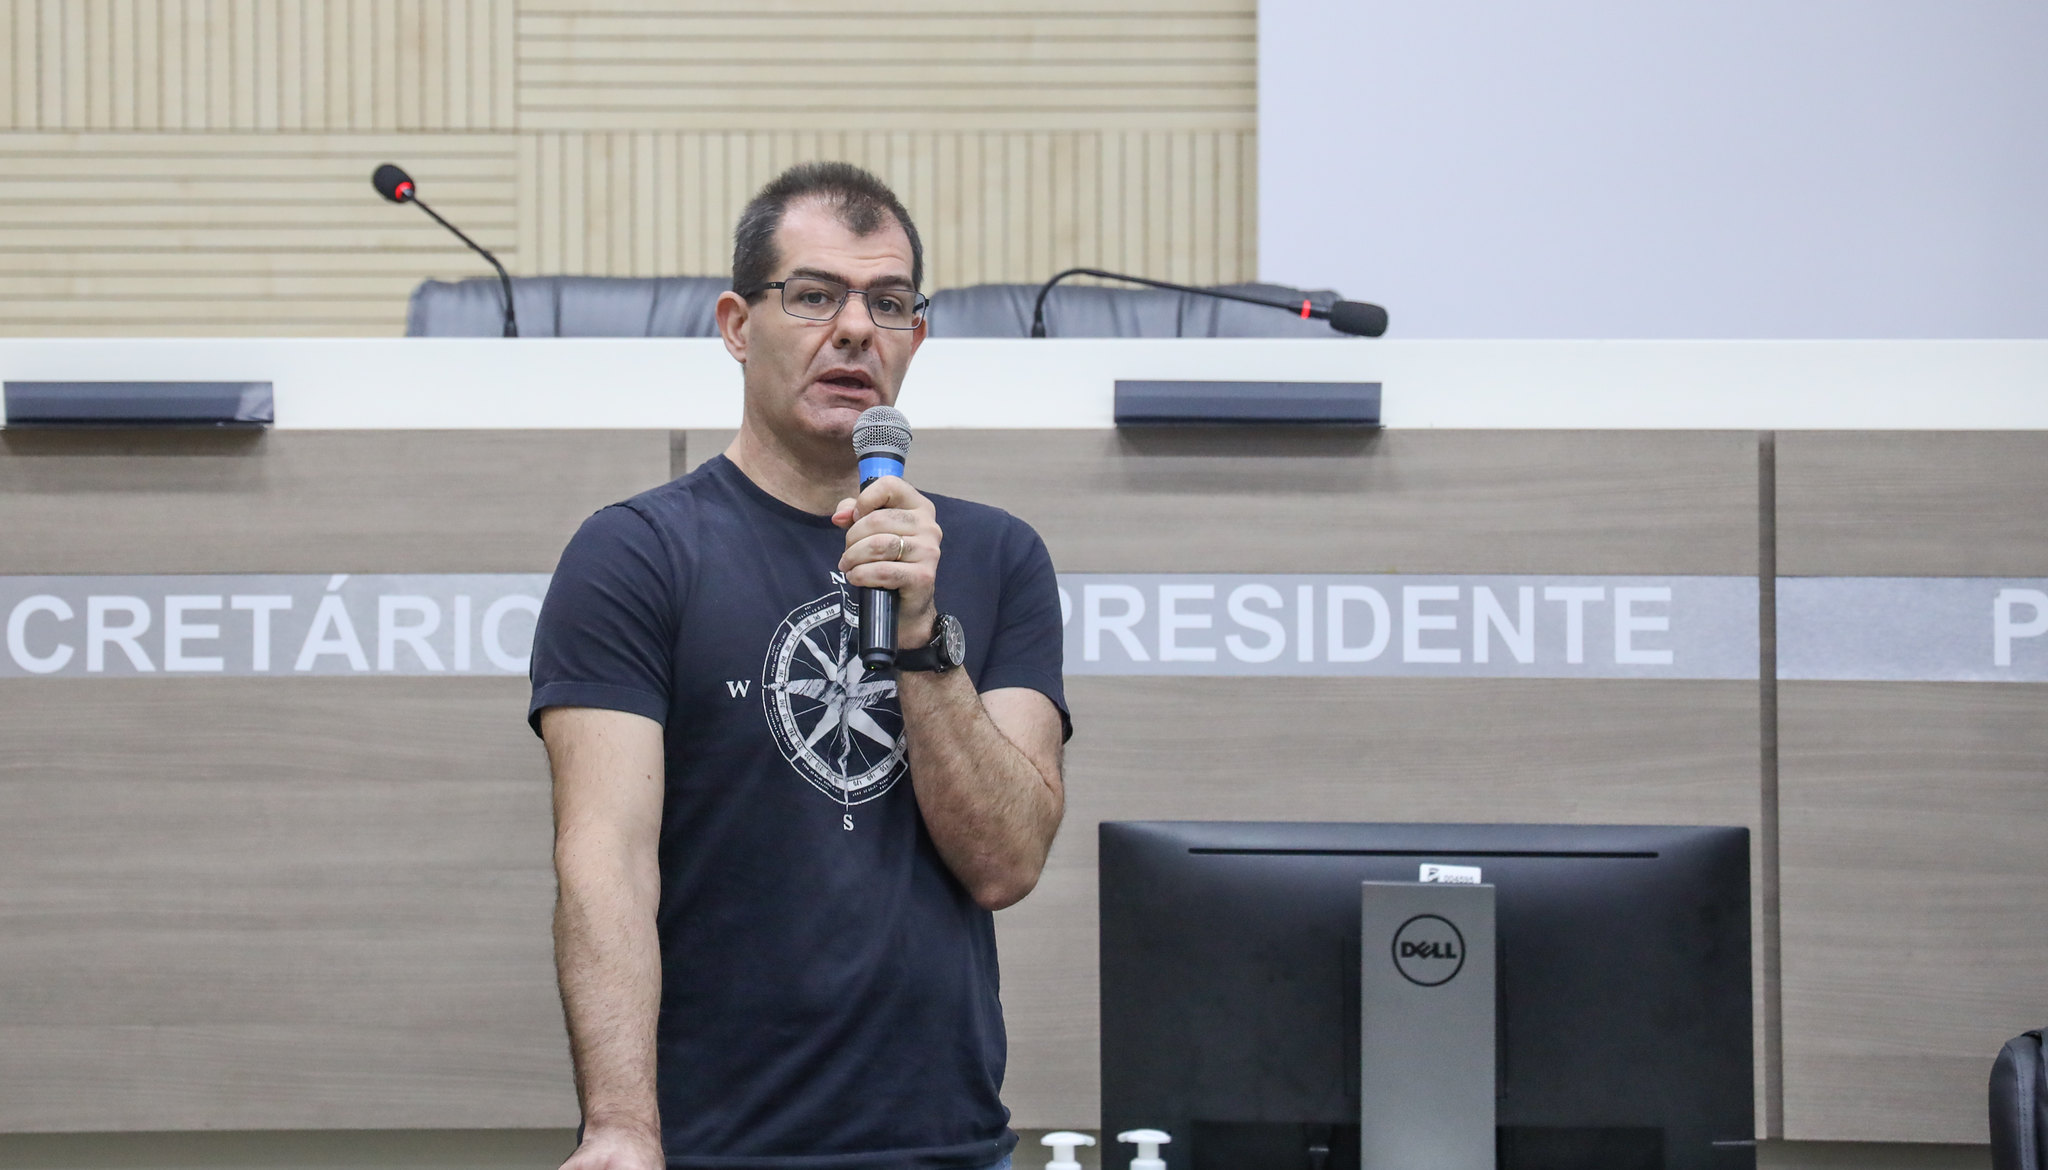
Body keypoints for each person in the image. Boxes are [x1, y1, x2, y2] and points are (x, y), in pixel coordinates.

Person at [528, 161, 1070, 1170]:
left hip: (948, 1147)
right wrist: (621, 1127)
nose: (856, 329)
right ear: (738, 326)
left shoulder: (997, 557)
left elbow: (1005, 862)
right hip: (714, 1146)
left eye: (889, 302)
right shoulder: (635, 554)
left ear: (916, 337)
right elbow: (605, 860)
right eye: (815, 296)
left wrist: (921, 635)